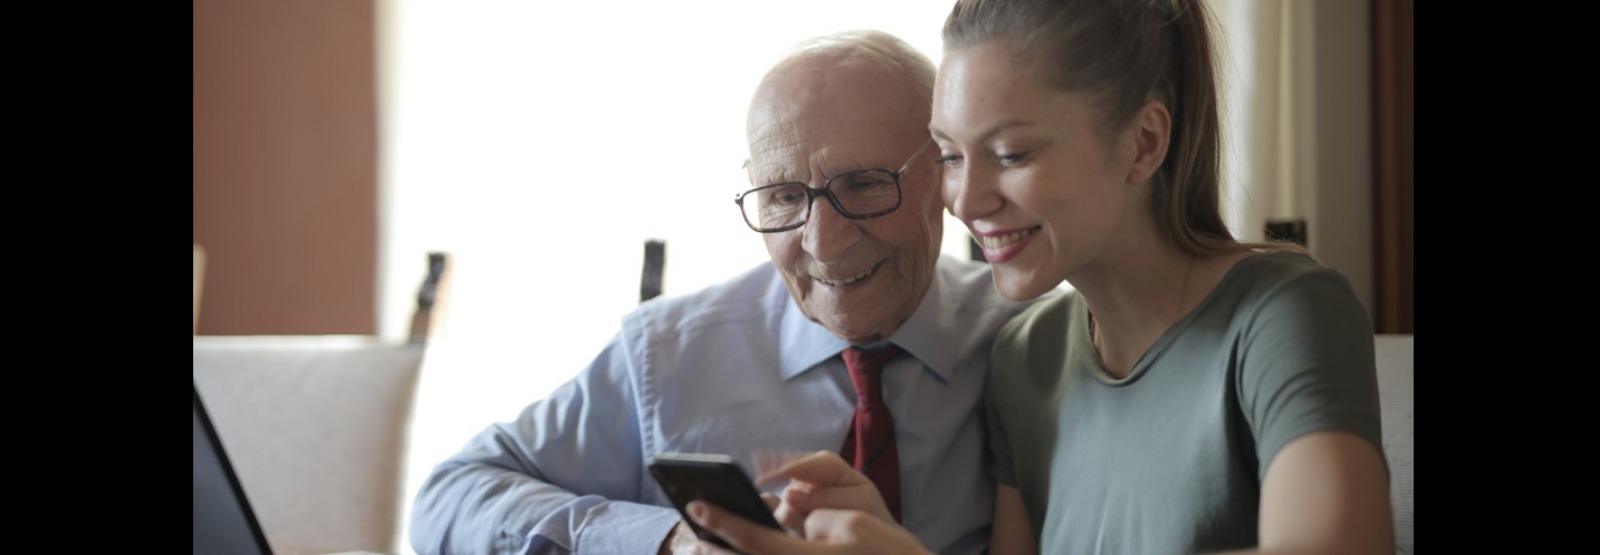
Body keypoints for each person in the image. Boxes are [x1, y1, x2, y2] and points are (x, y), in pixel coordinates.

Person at [689, 0, 1396, 553]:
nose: (965, 201)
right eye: (952, 156)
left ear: (1144, 142)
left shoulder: (1283, 310)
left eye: (1010, 152)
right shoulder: (1027, 356)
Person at [407, 29, 1043, 555]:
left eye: (865, 185)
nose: (823, 242)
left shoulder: (1033, 342)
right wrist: (668, 541)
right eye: (784, 198)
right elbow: (450, 495)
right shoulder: (666, 354)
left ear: (946, 170)